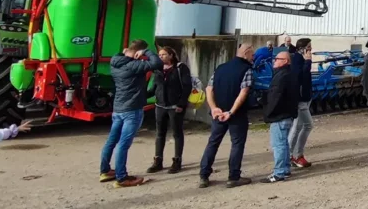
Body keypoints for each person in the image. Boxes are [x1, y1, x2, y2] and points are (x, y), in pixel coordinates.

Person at [100, 40, 164, 188]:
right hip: (132, 109)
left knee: (111, 141)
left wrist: (130, 53)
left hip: (118, 108)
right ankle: (122, 178)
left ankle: (105, 171)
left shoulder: (115, 62)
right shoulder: (134, 65)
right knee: (123, 144)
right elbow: (157, 63)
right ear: (138, 52)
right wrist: (146, 52)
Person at [199, 44, 255, 188]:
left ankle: (204, 175)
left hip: (218, 113)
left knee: (213, 142)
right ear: (246, 53)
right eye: (252, 54)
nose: (253, 57)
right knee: (237, 144)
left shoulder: (220, 68)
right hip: (236, 115)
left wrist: (214, 108)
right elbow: (243, 92)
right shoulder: (247, 69)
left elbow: (209, 88)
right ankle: (233, 177)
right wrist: (231, 111)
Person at [147, 46, 192, 175]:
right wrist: (141, 96)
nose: (161, 57)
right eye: (159, 55)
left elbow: (187, 87)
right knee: (160, 133)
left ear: (171, 55)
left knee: (177, 133)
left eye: (164, 54)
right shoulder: (158, 69)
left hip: (175, 107)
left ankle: (177, 161)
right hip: (160, 106)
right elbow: (154, 88)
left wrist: (181, 104)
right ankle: (158, 161)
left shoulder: (180, 68)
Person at [262, 48, 299, 182]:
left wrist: (268, 112)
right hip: (287, 114)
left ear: (285, 61)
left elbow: (275, 97)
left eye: (277, 59)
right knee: (283, 143)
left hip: (280, 115)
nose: (274, 61)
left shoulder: (282, 76)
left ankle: (279, 172)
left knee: (279, 145)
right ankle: (285, 169)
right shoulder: (289, 74)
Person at [289, 38, 315, 169]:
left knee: (299, 126)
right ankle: (293, 155)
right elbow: (300, 77)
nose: (311, 49)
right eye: (309, 47)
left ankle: (294, 154)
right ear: (302, 48)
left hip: (305, 97)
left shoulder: (301, 59)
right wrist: (308, 62)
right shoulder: (297, 60)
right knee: (305, 125)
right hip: (300, 100)